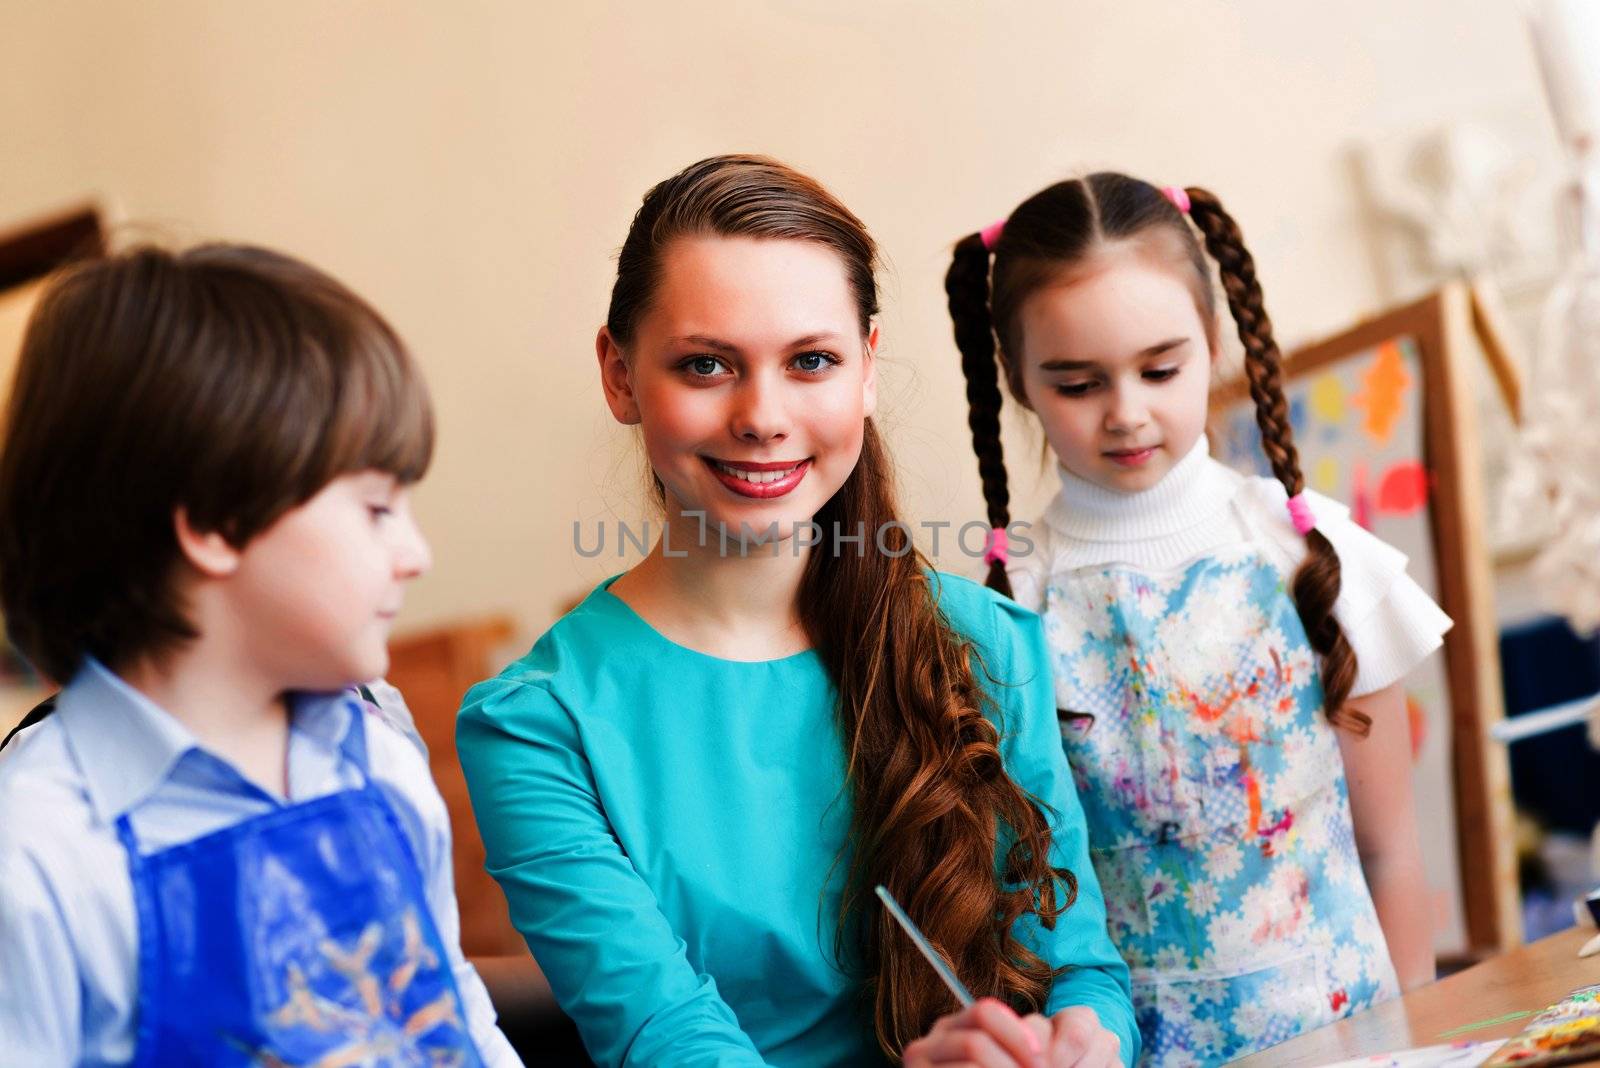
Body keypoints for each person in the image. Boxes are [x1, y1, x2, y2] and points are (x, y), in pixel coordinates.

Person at [457, 154, 1137, 1068]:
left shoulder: (989, 644)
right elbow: (664, 1039)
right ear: (620, 376)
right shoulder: (535, 725)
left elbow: (1082, 972)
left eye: (810, 361)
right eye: (706, 365)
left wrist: (1080, 1045)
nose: (763, 416)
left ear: (865, 368)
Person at [944, 173, 1452, 1065]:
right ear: (1019, 382)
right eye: (1077, 383)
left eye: (1160, 368)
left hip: (1355, 1037)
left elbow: (1393, 852)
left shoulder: (1310, 554)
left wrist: (1415, 1043)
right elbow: (1030, 908)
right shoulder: (1009, 602)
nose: (1127, 412)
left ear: (1214, 343)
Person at [0, 244, 520, 1067]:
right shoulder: (37, 847)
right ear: (212, 521)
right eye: (378, 507)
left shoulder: (380, 761)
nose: (415, 552)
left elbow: (454, 1010)